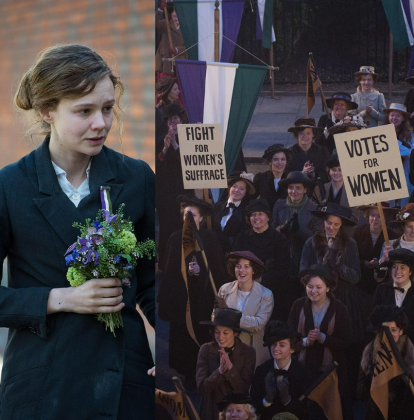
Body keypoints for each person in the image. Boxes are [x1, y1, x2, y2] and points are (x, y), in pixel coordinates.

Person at [0, 44, 155, 419]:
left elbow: (155, 284)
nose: (100, 123)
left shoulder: (137, 178)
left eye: (106, 108)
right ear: (46, 111)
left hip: (124, 382)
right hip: (41, 386)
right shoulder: (9, 186)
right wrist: (61, 299)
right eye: (84, 111)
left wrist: (169, 355)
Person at [157, 195, 226, 382]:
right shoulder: (175, 238)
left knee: (204, 336)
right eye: (186, 215)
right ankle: (187, 373)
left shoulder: (210, 239)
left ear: (201, 218)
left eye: (193, 216)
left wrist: (201, 271)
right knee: (183, 338)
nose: (189, 219)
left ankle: (205, 372)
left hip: (203, 300)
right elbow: (169, 272)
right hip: (182, 301)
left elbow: (217, 270)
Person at [288, 265, 353, 420]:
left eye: (318, 287)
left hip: (330, 372)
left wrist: (324, 338)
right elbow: (288, 337)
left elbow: (347, 342)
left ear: (328, 288)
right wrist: (305, 341)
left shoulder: (339, 308)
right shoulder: (298, 305)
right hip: (302, 369)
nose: (313, 291)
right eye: (310, 287)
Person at [272, 171, 322, 311]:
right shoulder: (279, 205)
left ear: (305, 189)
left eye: (298, 188)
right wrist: (282, 228)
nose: (294, 191)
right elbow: (271, 230)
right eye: (291, 188)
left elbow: (317, 239)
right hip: (283, 260)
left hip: (304, 261)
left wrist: (299, 230)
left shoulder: (314, 209)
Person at [215, 251, 274, 367]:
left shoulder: (266, 294)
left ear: (254, 270)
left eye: (246, 267)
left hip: (252, 349)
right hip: (228, 346)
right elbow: (215, 317)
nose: (241, 270)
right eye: (238, 266)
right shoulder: (224, 289)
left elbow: (258, 324)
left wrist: (231, 318)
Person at [234, 199, 289, 320]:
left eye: (260, 214)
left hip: (271, 291)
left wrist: (260, 279)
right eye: (253, 214)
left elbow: (283, 268)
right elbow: (234, 262)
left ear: (268, 217)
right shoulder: (242, 237)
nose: (256, 217)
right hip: (245, 290)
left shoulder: (279, 239)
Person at [197, 308, 256, 420]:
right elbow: (202, 389)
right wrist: (219, 372)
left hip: (236, 414)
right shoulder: (205, 350)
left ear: (235, 333)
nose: (220, 337)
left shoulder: (248, 352)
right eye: (217, 332)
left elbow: (243, 389)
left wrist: (230, 369)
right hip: (211, 411)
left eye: (225, 332)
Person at [358, 305, 414, 420]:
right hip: (376, 413)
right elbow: (360, 393)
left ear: (401, 331)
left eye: (393, 330)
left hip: (404, 413)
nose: (389, 334)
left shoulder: (408, 351)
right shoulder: (370, 351)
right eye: (385, 330)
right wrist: (372, 379)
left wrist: (402, 382)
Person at [155, 102, 193, 269]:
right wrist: (164, 149)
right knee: (167, 226)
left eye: (176, 119)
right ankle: (165, 262)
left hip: (184, 189)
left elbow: (191, 163)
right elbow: (156, 165)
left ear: (181, 119)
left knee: (185, 224)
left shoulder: (190, 136)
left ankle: (187, 260)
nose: (174, 123)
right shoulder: (160, 137)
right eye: (170, 120)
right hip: (166, 193)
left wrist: (176, 145)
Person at [250, 320, 310, 420]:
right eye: (274, 344)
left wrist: (287, 400)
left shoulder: (302, 372)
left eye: (282, 345)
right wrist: (267, 400)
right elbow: (253, 408)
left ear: (292, 349)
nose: (276, 348)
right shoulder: (262, 370)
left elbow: (305, 412)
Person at [353, 203, 399, 304]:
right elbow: (352, 259)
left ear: (385, 218)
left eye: (379, 216)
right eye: (372, 215)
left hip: (382, 288)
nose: (375, 219)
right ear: (367, 215)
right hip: (361, 286)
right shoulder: (358, 233)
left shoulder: (393, 236)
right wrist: (365, 263)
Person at [374, 248, 414, 342]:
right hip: (383, 343)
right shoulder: (381, 290)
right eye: (394, 267)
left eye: (403, 267)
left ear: (410, 272)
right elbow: (373, 320)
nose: (397, 271)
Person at [213, 172, 256, 253]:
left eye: (242, 189)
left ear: (245, 193)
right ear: (229, 188)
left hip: (233, 253)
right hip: (214, 252)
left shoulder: (246, 213)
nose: (237, 190)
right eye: (234, 186)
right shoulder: (216, 207)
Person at [384, 103, 414, 207]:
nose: (394, 118)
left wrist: (394, 143)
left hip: (404, 172)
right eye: (392, 115)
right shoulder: (381, 133)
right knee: (389, 206)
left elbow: (410, 153)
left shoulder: (410, 134)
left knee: (403, 207)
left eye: (398, 115)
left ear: (403, 118)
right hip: (387, 174)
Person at [285, 119, 330, 186]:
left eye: (308, 133)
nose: (305, 136)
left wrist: (314, 174)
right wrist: (302, 174)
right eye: (301, 133)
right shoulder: (289, 153)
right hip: (297, 191)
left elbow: (328, 174)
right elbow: (286, 176)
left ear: (313, 134)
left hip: (318, 190)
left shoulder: (322, 151)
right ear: (297, 135)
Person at [253, 144, 291, 211]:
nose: (280, 163)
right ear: (270, 161)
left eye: (283, 159)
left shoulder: (291, 178)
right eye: (276, 159)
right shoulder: (261, 178)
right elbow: (251, 198)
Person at [155, 1, 187, 77]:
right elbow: (154, 23)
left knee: (178, 86)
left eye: (177, 12)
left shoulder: (186, 28)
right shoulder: (166, 24)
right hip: (165, 62)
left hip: (179, 62)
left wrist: (176, 49)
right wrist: (160, 10)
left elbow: (189, 46)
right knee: (165, 85)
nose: (175, 14)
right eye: (173, 12)